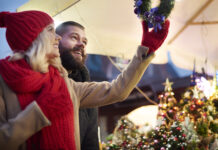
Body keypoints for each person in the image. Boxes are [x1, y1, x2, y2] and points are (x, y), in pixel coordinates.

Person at [0, 10, 169, 150]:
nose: (57, 38)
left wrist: (146, 50)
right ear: (34, 36)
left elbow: (116, 90)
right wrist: (40, 113)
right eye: (51, 31)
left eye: (85, 41)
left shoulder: (65, 85)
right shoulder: (3, 83)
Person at [56, 21, 99, 150]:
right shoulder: (39, 80)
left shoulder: (85, 89)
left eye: (84, 42)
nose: (81, 44)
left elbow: (90, 142)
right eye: (74, 37)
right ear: (55, 40)